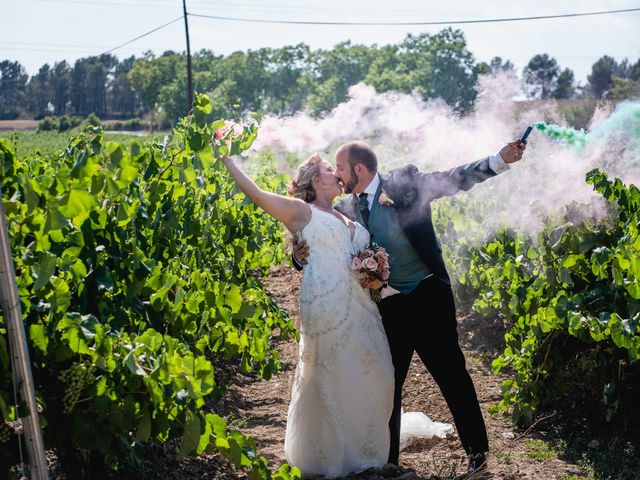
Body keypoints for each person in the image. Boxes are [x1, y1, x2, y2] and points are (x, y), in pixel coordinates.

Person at [293, 138, 527, 474]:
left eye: (341, 168)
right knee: (387, 383)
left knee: (452, 375)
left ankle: (478, 453)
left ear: (359, 169)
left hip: (428, 296)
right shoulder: (345, 209)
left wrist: (499, 160)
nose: (338, 175)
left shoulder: (405, 184)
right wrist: (297, 257)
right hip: (388, 308)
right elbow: (319, 244)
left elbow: (455, 178)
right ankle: (388, 463)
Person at [213, 150, 451, 479]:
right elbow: (257, 195)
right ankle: (342, 458)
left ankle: (365, 448)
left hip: (362, 306)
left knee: (378, 375)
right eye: (330, 168)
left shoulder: (345, 212)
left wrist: (372, 268)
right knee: (332, 375)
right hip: (325, 304)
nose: (337, 173)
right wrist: (228, 161)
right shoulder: (300, 211)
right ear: (315, 180)